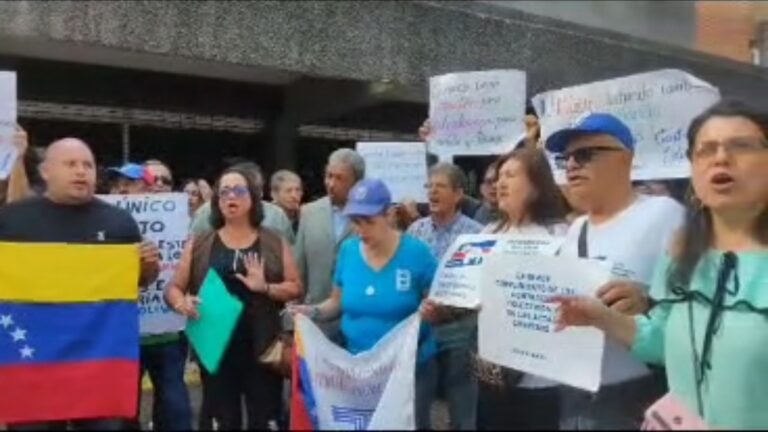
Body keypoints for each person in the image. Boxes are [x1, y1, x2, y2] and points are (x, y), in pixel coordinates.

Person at [554, 100, 768, 429]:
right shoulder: (681, 252)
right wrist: (598, 316)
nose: (721, 158)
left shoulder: (661, 215)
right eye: (705, 150)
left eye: (741, 146)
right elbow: (660, 340)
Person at [0, 138, 160, 431]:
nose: (81, 171)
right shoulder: (13, 220)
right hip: (34, 363)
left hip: (98, 364)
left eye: (87, 165)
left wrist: (148, 266)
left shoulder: (120, 223)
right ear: (46, 171)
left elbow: (140, 283)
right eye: (71, 164)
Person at [545, 113, 686, 429]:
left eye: (584, 154)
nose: (571, 166)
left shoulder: (666, 215)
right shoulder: (575, 229)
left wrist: (648, 300)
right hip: (575, 392)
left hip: (637, 397)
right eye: (564, 157)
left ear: (625, 159)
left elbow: (699, 310)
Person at [289, 178, 443, 430]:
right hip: (360, 370)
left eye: (368, 222)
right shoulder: (349, 251)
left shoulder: (416, 253)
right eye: (355, 222)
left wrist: (433, 313)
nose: (361, 230)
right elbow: (336, 303)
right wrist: (312, 311)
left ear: (388, 214)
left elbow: (439, 304)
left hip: (408, 371)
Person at [165, 166, 302, 430]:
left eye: (238, 190)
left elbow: (296, 287)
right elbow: (173, 288)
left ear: (252, 197)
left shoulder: (274, 241)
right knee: (219, 421)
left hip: (263, 351)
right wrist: (181, 302)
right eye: (224, 191)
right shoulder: (200, 243)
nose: (231, 196)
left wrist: (266, 288)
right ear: (216, 200)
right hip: (214, 351)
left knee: (266, 420)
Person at [475, 147, 569, 430]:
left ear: (538, 185)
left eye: (511, 175)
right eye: (498, 177)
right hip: (493, 374)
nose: (499, 183)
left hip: (541, 379)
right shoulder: (487, 234)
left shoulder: (562, 236)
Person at [406, 162, 483, 430]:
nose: (432, 192)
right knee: (416, 409)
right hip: (422, 334)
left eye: (440, 186)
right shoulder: (415, 231)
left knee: (463, 411)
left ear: (458, 193)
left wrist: (449, 309)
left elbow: (480, 287)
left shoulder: (476, 234)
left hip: (460, 333)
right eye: (429, 186)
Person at [118, 159, 192, 432]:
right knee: (124, 410)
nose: (158, 186)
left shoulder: (188, 224)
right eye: (151, 180)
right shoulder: (109, 223)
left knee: (173, 408)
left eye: (165, 180)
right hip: (125, 333)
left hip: (169, 333)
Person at [293, 148, 365, 339]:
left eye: (340, 178)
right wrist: (292, 324)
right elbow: (298, 271)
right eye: (328, 176)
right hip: (315, 324)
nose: (331, 184)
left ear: (356, 183)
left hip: (357, 325)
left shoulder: (370, 218)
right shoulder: (308, 213)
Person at [190, 162, 295, 243]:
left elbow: (289, 254)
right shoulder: (206, 212)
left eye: (259, 189)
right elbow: (192, 247)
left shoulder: (276, 215)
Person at [270, 170, 303, 234]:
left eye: (298, 190)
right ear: (274, 194)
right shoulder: (266, 218)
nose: (294, 195)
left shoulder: (305, 216)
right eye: (288, 191)